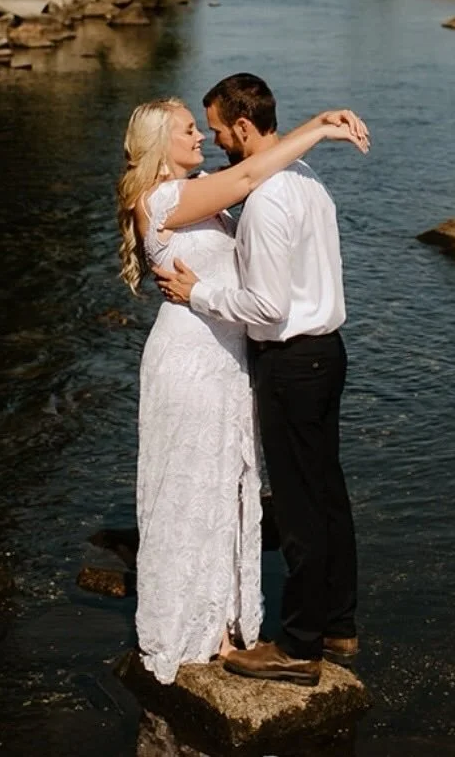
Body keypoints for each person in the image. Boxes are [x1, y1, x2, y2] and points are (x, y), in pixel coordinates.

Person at [117, 95, 368, 685]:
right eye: (188, 131)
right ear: (159, 143)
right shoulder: (158, 198)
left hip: (231, 357)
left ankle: (228, 623)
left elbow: (255, 176)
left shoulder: (203, 188)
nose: (200, 139)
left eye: (203, 129)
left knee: (231, 486)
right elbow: (254, 169)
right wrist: (319, 128)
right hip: (190, 357)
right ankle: (191, 628)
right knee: (192, 484)